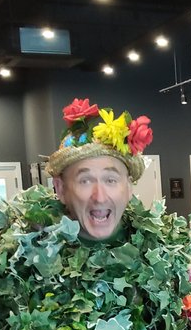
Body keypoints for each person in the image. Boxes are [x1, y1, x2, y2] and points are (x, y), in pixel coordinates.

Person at [47, 97, 149, 240]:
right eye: (85, 181)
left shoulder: (168, 256)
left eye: (110, 180)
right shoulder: (29, 254)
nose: (100, 198)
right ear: (61, 189)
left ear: (129, 187)